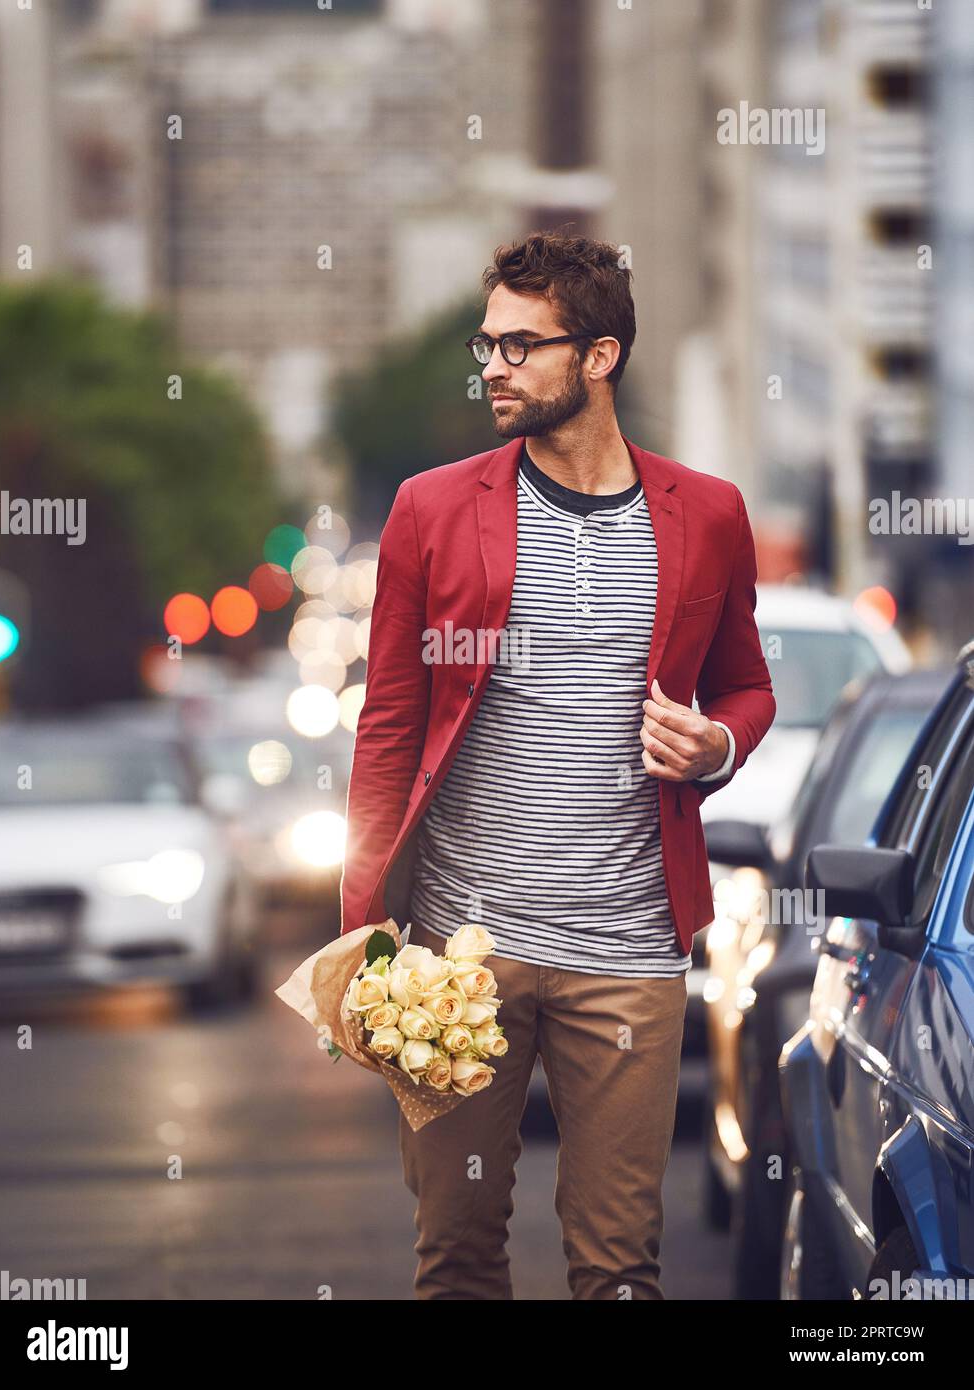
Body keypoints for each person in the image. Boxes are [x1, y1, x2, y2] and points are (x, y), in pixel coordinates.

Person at [340, 230, 776, 1299]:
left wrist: (716, 744)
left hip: (627, 952)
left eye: (521, 346)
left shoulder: (707, 514)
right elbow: (389, 724)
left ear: (598, 356)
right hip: (454, 956)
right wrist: (365, 929)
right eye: (487, 345)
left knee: (620, 1266)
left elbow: (747, 686)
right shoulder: (431, 510)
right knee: (455, 1255)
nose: (492, 366)